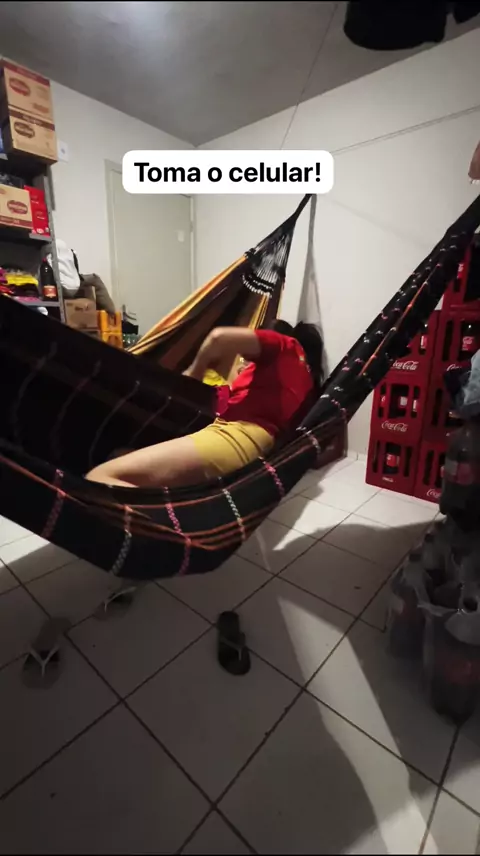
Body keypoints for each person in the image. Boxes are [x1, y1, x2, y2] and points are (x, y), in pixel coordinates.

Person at [86, 320, 323, 489]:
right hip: (238, 441)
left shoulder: (285, 346)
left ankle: (163, 534)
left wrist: (194, 374)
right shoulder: (306, 388)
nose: (246, 361)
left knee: (99, 478)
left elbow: (218, 337)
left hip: (235, 439)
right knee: (118, 455)